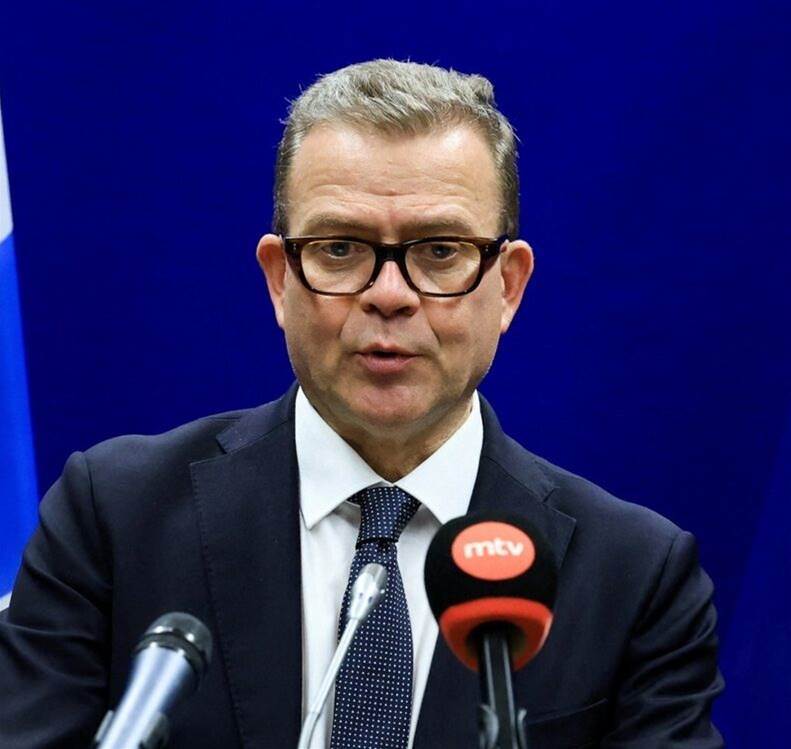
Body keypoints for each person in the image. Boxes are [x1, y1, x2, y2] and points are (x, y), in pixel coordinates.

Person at [0, 60, 723, 748]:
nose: (389, 294)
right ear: (279, 279)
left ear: (507, 285)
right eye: (341, 248)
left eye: (439, 250)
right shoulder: (117, 518)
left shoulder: (634, 577)